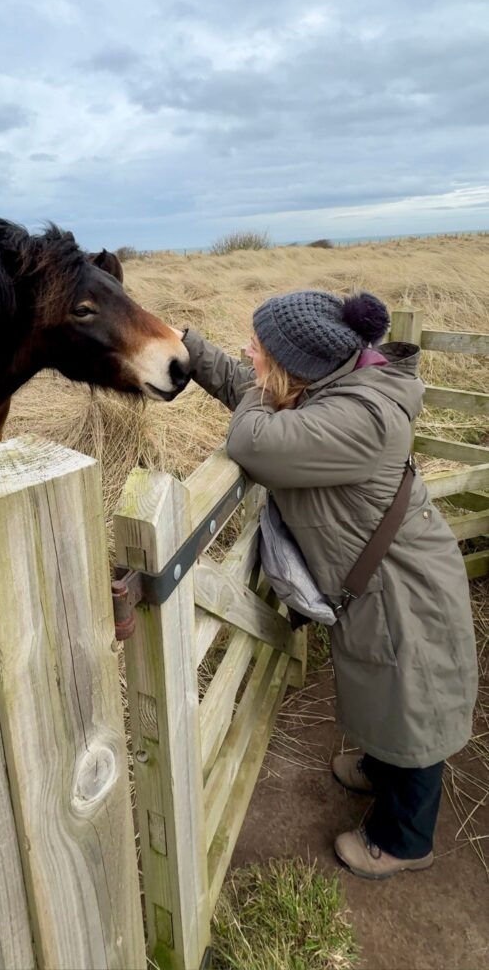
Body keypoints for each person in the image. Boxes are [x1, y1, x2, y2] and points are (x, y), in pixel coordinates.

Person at [174, 290, 478, 880]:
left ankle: (404, 840)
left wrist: (260, 386)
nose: (249, 353)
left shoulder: (359, 418)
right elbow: (255, 392)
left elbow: (252, 439)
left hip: (406, 588)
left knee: (414, 701)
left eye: (258, 348)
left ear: (294, 365)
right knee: (387, 686)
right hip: (383, 580)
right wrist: (187, 345)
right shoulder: (329, 391)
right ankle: (381, 766)